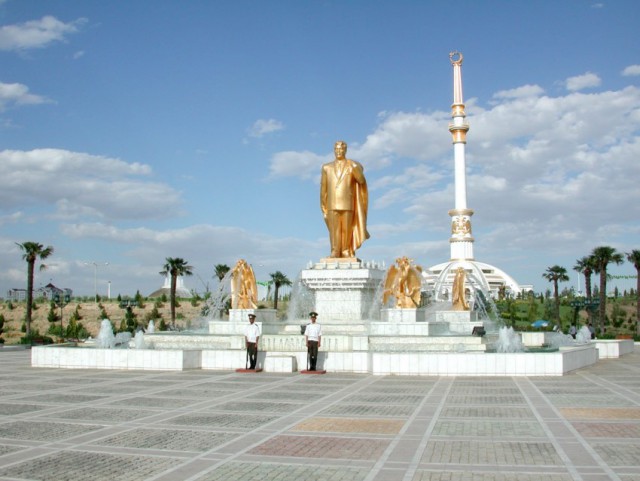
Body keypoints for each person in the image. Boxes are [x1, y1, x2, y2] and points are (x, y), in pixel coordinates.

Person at [320, 141, 369, 259]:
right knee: (334, 230)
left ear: (345, 150)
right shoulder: (326, 167)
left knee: (347, 229)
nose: (338, 151)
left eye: (341, 149)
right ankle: (335, 251)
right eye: (336, 149)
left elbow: (361, 181)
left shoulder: (351, 165)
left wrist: (356, 168)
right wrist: (323, 206)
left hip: (348, 203)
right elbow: (323, 188)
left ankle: (346, 250)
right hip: (332, 203)